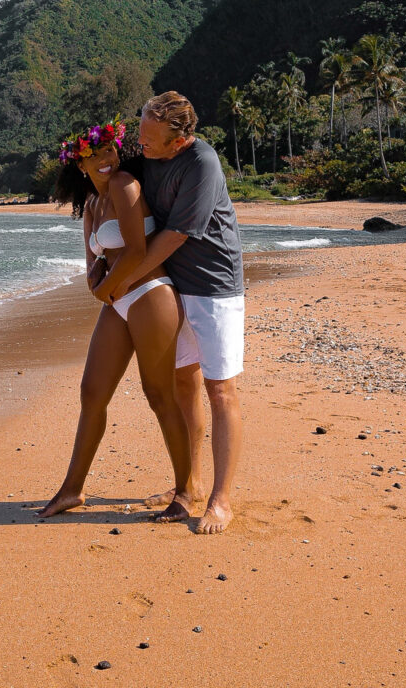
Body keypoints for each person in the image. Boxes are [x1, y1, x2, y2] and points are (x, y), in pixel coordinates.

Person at [38, 120, 193, 522]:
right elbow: (93, 259)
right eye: (94, 155)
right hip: (116, 301)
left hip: (149, 295)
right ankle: (72, 490)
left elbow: (137, 249)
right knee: (92, 392)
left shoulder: (125, 184)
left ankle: (186, 491)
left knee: (159, 394)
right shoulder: (91, 203)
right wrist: (98, 286)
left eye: (109, 151)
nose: (105, 160)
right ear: (80, 164)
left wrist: (105, 287)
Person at [116, 91, 244, 534]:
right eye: (140, 132)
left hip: (214, 287)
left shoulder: (202, 164)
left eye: (150, 138)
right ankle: (188, 487)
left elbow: (174, 236)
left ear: (180, 140)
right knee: (182, 382)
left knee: (220, 389)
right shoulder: (149, 153)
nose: (141, 144)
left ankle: (221, 499)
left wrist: (125, 277)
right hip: (173, 285)